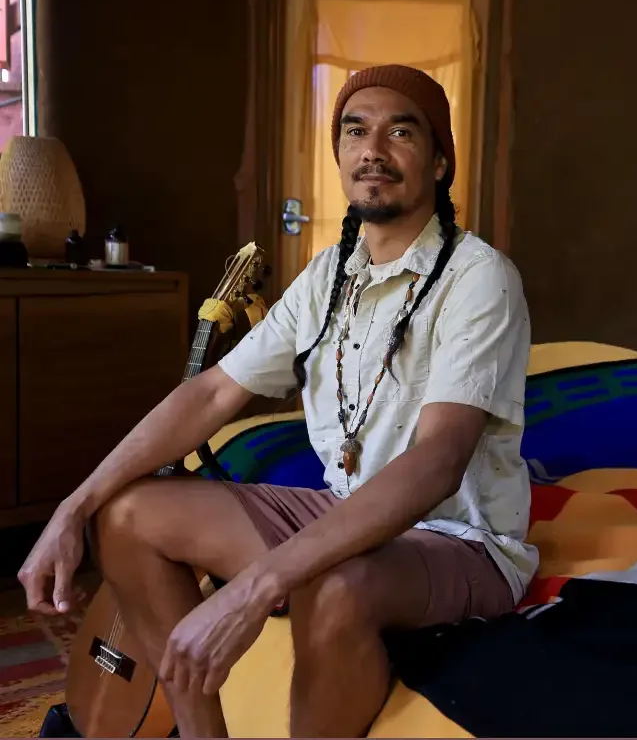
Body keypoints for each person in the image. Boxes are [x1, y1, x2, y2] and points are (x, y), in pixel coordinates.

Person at [17, 65, 536, 738]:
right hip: (349, 510)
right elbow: (212, 390)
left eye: (401, 132)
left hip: (460, 539)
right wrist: (74, 505)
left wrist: (256, 588)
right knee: (126, 514)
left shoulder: (479, 277)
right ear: (340, 154)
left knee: (334, 584)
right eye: (355, 131)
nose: (373, 150)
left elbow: (439, 460)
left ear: (439, 163)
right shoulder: (327, 275)